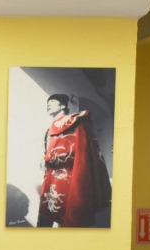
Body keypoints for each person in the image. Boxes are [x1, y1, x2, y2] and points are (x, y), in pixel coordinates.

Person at [37, 93, 112, 228]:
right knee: (44, 217)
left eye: (52, 101)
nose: (48, 104)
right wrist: (44, 160)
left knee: (69, 219)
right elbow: (47, 152)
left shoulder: (76, 122)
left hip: (69, 178)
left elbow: (83, 150)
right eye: (48, 102)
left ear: (63, 105)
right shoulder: (48, 130)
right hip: (50, 178)